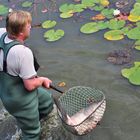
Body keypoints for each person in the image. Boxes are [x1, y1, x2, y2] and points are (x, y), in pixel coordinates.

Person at [0, 10, 54, 140]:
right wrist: (42, 80)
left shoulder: (1, 33)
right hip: (19, 100)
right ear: (20, 33)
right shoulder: (23, 53)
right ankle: (30, 125)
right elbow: (30, 85)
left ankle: (32, 119)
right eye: (28, 25)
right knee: (32, 133)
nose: (30, 27)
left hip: (6, 89)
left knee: (46, 101)